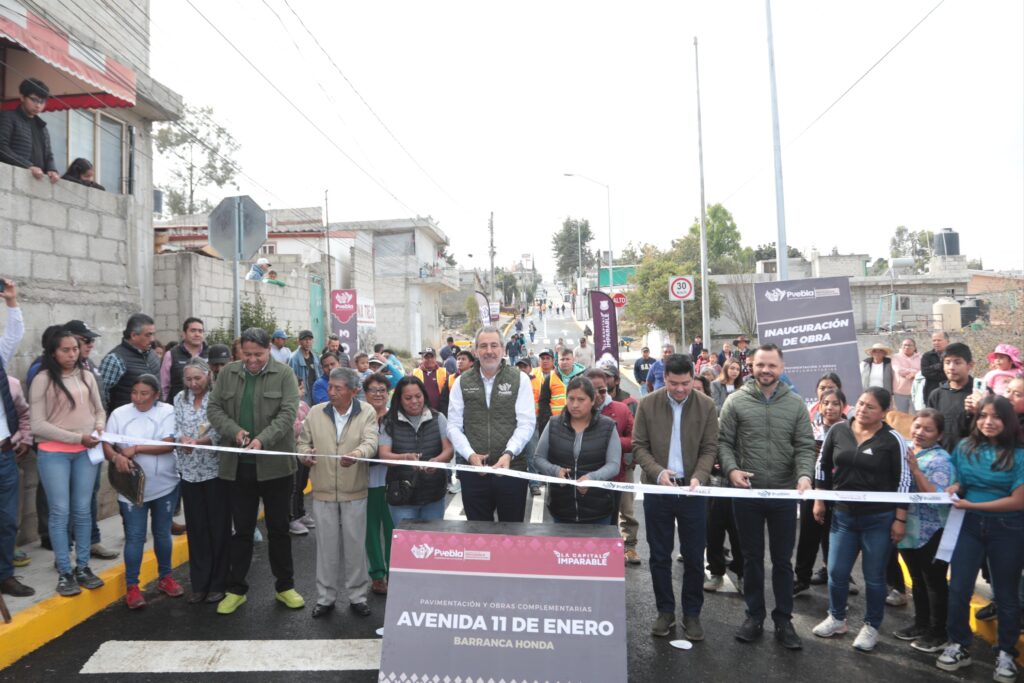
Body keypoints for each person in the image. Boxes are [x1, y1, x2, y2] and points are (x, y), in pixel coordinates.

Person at [717, 344, 816, 650]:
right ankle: (754, 616)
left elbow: (804, 446)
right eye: (760, 365)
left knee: (783, 561)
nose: (766, 370)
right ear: (752, 366)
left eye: (772, 365)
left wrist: (804, 476)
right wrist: (732, 471)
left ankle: (784, 620)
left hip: (784, 494)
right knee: (751, 559)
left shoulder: (796, 404)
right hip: (747, 494)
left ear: (781, 368)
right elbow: (724, 443)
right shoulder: (735, 401)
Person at [207, 327, 302, 615]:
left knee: (278, 529)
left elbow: (288, 413)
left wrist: (263, 440)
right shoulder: (228, 374)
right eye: (246, 354)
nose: (251, 360)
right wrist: (234, 432)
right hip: (238, 468)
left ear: (269, 350)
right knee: (243, 530)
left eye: (258, 355)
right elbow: (214, 409)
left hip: (276, 467)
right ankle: (237, 589)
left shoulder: (284, 374)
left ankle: (285, 586)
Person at [811, 388, 911, 652]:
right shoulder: (838, 430)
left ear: (884, 412)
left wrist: (900, 519)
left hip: (878, 518)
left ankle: (871, 626)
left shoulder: (893, 439)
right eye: (861, 403)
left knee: (874, 577)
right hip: (842, 516)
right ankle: (837, 618)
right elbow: (822, 465)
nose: (863, 409)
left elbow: (903, 481)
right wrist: (820, 499)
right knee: (836, 572)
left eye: (871, 407)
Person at [936, 396, 1023, 682]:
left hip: (1007, 528)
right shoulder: (965, 446)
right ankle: (959, 644)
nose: (988, 421)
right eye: (983, 415)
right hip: (968, 526)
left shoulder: (1020, 453)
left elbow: (1017, 501)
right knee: (959, 589)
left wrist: (972, 505)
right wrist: (956, 486)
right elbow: (963, 481)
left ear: (1008, 421)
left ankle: (1006, 653)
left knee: (1006, 595)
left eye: (996, 417)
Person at [632, 354, 719, 641]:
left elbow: (709, 448)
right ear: (663, 378)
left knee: (694, 556)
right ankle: (665, 612)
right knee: (659, 555)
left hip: (693, 490)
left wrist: (700, 476)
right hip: (659, 491)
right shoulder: (648, 403)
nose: (680, 389)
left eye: (685, 383)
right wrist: (657, 473)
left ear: (693, 377)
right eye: (673, 383)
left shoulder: (706, 405)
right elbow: (639, 446)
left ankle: (692, 614)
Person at [29, 329, 106, 597]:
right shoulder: (42, 379)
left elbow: (99, 409)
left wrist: (98, 427)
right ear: (53, 352)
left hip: (86, 452)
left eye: (75, 349)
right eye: (66, 350)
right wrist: (78, 438)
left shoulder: (86, 376)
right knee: (60, 512)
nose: (72, 354)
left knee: (83, 511)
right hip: (54, 453)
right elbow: (37, 425)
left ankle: (83, 567)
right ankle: (64, 571)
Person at [297, 367, 379, 619]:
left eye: (338, 388)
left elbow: (371, 442)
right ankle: (325, 598)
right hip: (322, 490)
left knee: (355, 546)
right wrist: (305, 455)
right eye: (330, 387)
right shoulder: (315, 412)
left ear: (353, 391)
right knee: (326, 548)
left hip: (354, 490)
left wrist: (357, 455)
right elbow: (302, 442)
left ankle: (357, 596)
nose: (331, 392)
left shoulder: (367, 412)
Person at [103, 375, 182, 609]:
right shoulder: (119, 414)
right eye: (135, 392)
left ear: (156, 394)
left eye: (144, 393)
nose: (138, 398)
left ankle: (165, 578)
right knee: (135, 537)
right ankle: (132, 587)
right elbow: (107, 443)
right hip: (130, 489)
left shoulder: (167, 411)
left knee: (162, 534)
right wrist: (116, 456)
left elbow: (169, 443)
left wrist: (135, 449)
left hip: (164, 486)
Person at [446, 326, 536, 522]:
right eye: (483, 346)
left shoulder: (519, 379)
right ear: (475, 351)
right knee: (478, 536)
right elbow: (453, 426)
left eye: (494, 345)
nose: (489, 351)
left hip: (511, 470)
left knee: (512, 537)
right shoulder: (461, 382)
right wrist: (469, 455)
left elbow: (527, 423)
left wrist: (509, 453)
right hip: (474, 473)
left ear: (503, 349)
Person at [893, 408, 953, 653]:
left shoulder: (941, 460)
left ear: (939, 435)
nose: (920, 432)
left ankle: (939, 633)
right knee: (917, 579)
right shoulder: (908, 450)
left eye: (928, 429)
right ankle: (921, 623)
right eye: (917, 426)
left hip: (932, 531)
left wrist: (917, 471)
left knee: (934, 581)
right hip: (909, 529)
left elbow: (938, 497)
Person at [173, 358, 230, 604]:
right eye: (189, 379)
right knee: (196, 529)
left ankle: (219, 583)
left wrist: (201, 442)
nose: (193, 383)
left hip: (214, 471)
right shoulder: (179, 399)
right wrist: (182, 440)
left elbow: (221, 431)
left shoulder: (218, 398)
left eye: (198, 378)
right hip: (188, 472)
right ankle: (199, 583)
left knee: (218, 527)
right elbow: (174, 427)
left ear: (208, 375)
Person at [63, 319, 118, 560]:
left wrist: (100, 426)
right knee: (64, 501)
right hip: (64, 448)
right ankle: (62, 549)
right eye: (85, 340)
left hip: (92, 444)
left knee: (89, 495)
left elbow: (99, 403)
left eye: (91, 340)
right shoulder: (48, 371)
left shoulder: (90, 366)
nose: (90, 345)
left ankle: (91, 542)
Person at [534, 375, 621, 523]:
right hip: (561, 510)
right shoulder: (554, 424)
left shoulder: (607, 426)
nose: (574, 404)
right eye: (571, 398)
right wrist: (555, 471)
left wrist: (592, 478)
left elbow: (613, 465)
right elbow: (538, 458)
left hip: (598, 512)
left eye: (581, 400)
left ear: (592, 400)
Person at [794, 388, 851, 594]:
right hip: (811, 489)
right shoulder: (809, 428)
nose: (830, 407)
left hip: (840, 493)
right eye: (825, 403)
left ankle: (840, 578)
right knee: (808, 536)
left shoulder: (851, 431)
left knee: (836, 537)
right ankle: (802, 579)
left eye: (835, 403)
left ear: (843, 406)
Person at [379, 376, 453, 523]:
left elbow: (449, 450)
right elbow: (384, 455)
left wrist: (436, 461)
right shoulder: (389, 422)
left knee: (432, 542)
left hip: (434, 494)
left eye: (418, 396)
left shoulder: (438, 418)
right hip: (402, 496)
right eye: (408, 398)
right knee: (406, 544)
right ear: (399, 399)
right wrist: (405, 458)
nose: (414, 401)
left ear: (424, 396)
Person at [0, 279, 27, 598]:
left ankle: (5, 575)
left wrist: (11, 301)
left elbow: (14, 334)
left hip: (5, 455)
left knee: (7, 521)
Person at [362, 372, 393, 595]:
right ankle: (377, 574)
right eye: (373, 390)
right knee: (370, 531)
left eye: (382, 390)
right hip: (366, 482)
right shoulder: (359, 417)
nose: (378, 394)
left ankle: (395, 573)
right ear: (365, 394)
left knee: (393, 531)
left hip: (392, 482)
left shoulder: (395, 417)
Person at [99, 313, 161, 413]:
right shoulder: (115, 359)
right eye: (148, 335)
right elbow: (101, 395)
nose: (152, 339)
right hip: (126, 421)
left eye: (153, 334)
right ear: (133, 335)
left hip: (155, 417)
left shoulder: (153, 354)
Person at [0, 78, 58, 182]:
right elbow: (2, 148)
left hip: (38, 182)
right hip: (12, 178)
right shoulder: (7, 117)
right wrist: (27, 165)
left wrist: (52, 169)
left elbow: (49, 154)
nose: (38, 105)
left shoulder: (42, 127)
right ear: (22, 97)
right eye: (34, 100)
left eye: (42, 101)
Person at [926, 342, 975, 453]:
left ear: (970, 365)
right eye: (947, 362)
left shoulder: (979, 394)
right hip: (942, 458)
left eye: (958, 362)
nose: (951, 367)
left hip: (971, 459)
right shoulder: (936, 395)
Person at [537, 349, 585, 435]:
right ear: (557, 361)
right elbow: (543, 401)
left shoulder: (583, 377)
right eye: (562, 359)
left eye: (567, 359)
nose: (565, 362)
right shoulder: (550, 378)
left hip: (578, 422)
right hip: (556, 423)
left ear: (573, 360)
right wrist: (548, 419)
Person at [160, 317, 208, 404]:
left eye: (200, 331)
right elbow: (163, 386)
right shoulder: (171, 355)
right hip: (177, 408)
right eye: (193, 331)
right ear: (184, 334)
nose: (197, 334)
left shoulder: (210, 354)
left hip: (205, 409)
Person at [288, 330, 322, 407]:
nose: (308, 342)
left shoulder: (315, 357)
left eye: (310, 339)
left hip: (315, 393)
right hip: (302, 396)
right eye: (305, 339)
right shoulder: (294, 358)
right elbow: (289, 379)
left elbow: (320, 374)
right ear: (299, 341)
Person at [412, 348, 449, 415]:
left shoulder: (444, 372)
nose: (429, 360)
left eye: (432, 357)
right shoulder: (414, 373)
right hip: (420, 412)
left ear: (435, 358)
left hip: (440, 412)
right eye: (426, 357)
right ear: (422, 359)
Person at [891, 338, 921, 413]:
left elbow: (922, 372)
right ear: (901, 346)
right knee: (901, 416)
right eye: (904, 345)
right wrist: (915, 372)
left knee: (915, 416)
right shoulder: (895, 357)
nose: (907, 347)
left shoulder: (921, 358)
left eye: (909, 345)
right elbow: (899, 370)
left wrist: (914, 373)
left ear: (914, 347)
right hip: (900, 392)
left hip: (916, 392)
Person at [920, 331, 949, 406]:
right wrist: (940, 368)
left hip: (949, 391)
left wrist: (933, 368)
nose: (936, 342)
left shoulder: (953, 355)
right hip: (931, 391)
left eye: (939, 340)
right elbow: (925, 372)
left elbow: (952, 373)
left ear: (947, 341)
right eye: (934, 340)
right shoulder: (927, 356)